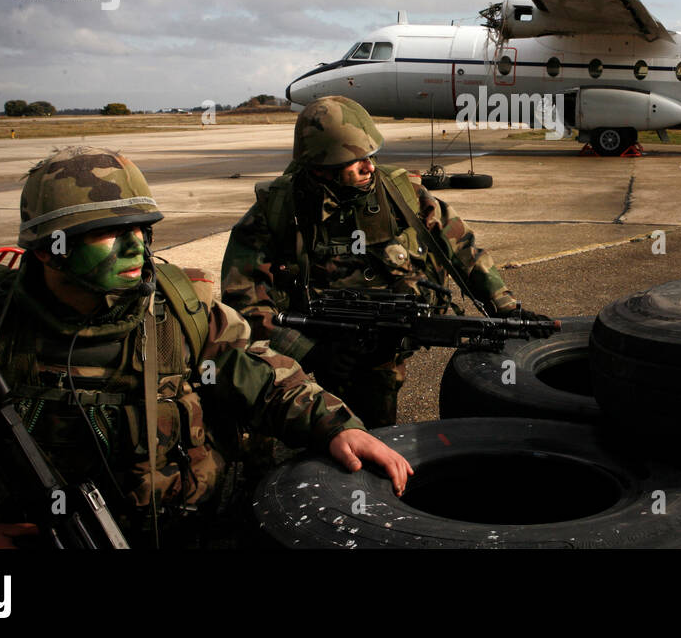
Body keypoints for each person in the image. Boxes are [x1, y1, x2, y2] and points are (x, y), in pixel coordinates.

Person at [0, 145, 410, 549]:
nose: (137, 246)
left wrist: (341, 427)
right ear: (48, 252)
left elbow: (266, 377)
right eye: (110, 231)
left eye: (144, 227)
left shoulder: (181, 310)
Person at [221, 95, 549, 428]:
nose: (370, 167)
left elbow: (461, 247)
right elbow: (243, 302)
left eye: (371, 156)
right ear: (320, 167)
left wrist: (506, 308)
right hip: (307, 346)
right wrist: (310, 353)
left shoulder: (401, 193)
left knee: (376, 430)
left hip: (383, 343)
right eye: (356, 162)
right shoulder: (277, 211)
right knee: (292, 428)